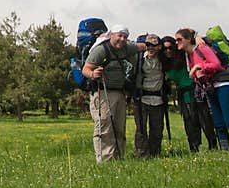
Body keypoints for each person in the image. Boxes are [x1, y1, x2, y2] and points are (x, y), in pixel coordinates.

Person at [175, 28, 229, 154]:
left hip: (224, 84)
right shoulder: (190, 56)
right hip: (210, 88)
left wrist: (200, 67)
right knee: (218, 122)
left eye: (179, 39)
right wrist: (197, 74)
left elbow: (216, 64)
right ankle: (225, 151)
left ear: (188, 40)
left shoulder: (202, 48)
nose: (177, 42)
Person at [81, 24, 147, 162]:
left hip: (120, 93)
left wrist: (152, 44)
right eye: (119, 35)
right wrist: (93, 74)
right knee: (105, 127)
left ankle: (118, 158)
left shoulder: (127, 48)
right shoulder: (100, 50)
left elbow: (142, 46)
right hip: (102, 92)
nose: (122, 39)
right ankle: (105, 160)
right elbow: (85, 69)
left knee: (119, 127)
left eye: (125, 37)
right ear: (111, 35)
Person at [161, 35, 217, 152]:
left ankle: (213, 145)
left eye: (170, 48)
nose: (168, 51)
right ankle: (194, 147)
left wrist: (197, 38)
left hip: (196, 90)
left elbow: (189, 37)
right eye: (165, 49)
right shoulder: (165, 64)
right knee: (189, 121)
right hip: (182, 93)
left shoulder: (183, 55)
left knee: (204, 119)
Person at [132, 34, 167, 158]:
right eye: (148, 45)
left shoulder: (164, 59)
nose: (150, 48)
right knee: (141, 129)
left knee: (157, 129)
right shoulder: (138, 58)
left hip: (158, 99)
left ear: (159, 47)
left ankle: (155, 153)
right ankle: (141, 155)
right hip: (141, 98)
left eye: (154, 45)